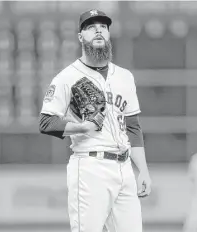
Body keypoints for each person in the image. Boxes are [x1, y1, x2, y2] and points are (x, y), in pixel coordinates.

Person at [39, 9, 151, 232]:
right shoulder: (67, 77)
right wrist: (81, 127)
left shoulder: (125, 77)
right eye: (91, 27)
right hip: (90, 166)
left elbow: (133, 127)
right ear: (81, 37)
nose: (98, 29)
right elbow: (46, 122)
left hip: (125, 167)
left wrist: (144, 171)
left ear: (109, 34)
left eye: (103, 26)